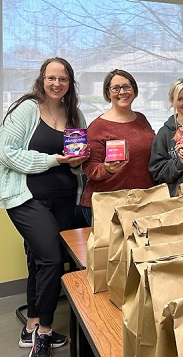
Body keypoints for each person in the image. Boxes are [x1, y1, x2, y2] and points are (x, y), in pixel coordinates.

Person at [0, 57, 88, 356]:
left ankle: (30, 327)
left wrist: (77, 162)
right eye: (51, 77)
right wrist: (53, 160)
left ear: (69, 83)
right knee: (52, 259)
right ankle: (45, 331)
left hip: (64, 198)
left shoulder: (74, 114)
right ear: (42, 79)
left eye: (62, 79)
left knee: (40, 260)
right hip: (27, 198)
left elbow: (79, 159)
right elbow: (6, 153)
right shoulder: (27, 109)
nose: (56, 83)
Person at [81, 69, 155, 224]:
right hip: (108, 205)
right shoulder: (98, 126)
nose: (122, 92)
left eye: (127, 86)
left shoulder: (141, 119)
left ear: (134, 89)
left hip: (141, 202)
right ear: (108, 93)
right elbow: (89, 167)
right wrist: (107, 169)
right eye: (116, 88)